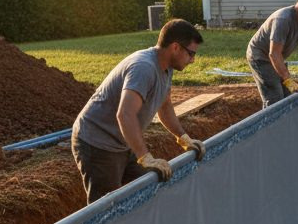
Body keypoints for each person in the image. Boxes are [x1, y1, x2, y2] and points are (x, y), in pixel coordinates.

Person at [71, 19, 206, 204]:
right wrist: (145, 157)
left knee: (148, 188)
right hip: (98, 143)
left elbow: (165, 106)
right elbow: (125, 114)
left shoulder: (166, 68)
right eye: (191, 53)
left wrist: (184, 138)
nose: (193, 60)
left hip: (122, 142)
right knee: (106, 211)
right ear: (175, 47)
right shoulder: (144, 68)